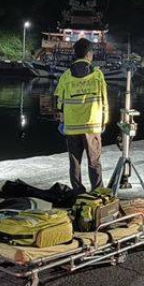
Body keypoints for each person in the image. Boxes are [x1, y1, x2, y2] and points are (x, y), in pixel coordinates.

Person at [54, 38, 109, 194]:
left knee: (75, 162)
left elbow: (59, 101)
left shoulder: (65, 76)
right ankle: (97, 192)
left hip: (71, 127)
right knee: (94, 162)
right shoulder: (97, 75)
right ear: (89, 54)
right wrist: (104, 121)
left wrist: (62, 121)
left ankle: (78, 192)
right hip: (92, 125)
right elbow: (104, 100)